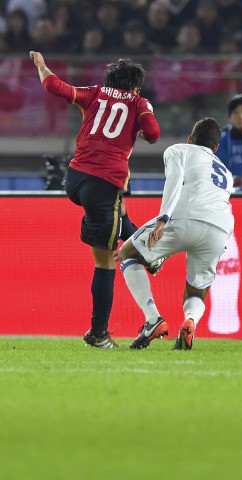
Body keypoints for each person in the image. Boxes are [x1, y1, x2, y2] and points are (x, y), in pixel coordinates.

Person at [30, 51, 161, 349]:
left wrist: (42, 65)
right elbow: (153, 133)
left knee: (120, 215)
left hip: (75, 179)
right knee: (105, 263)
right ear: (136, 87)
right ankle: (98, 334)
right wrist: (139, 124)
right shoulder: (139, 103)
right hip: (105, 182)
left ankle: (153, 255)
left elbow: (54, 86)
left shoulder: (96, 92)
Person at [118, 117, 234, 350]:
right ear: (216, 147)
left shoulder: (180, 150)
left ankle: (153, 320)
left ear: (190, 139)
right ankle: (190, 321)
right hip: (221, 229)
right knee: (197, 289)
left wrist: (163, 218)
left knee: (127, 253)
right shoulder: (226, 172)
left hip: (185, 217)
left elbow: (174, 180)